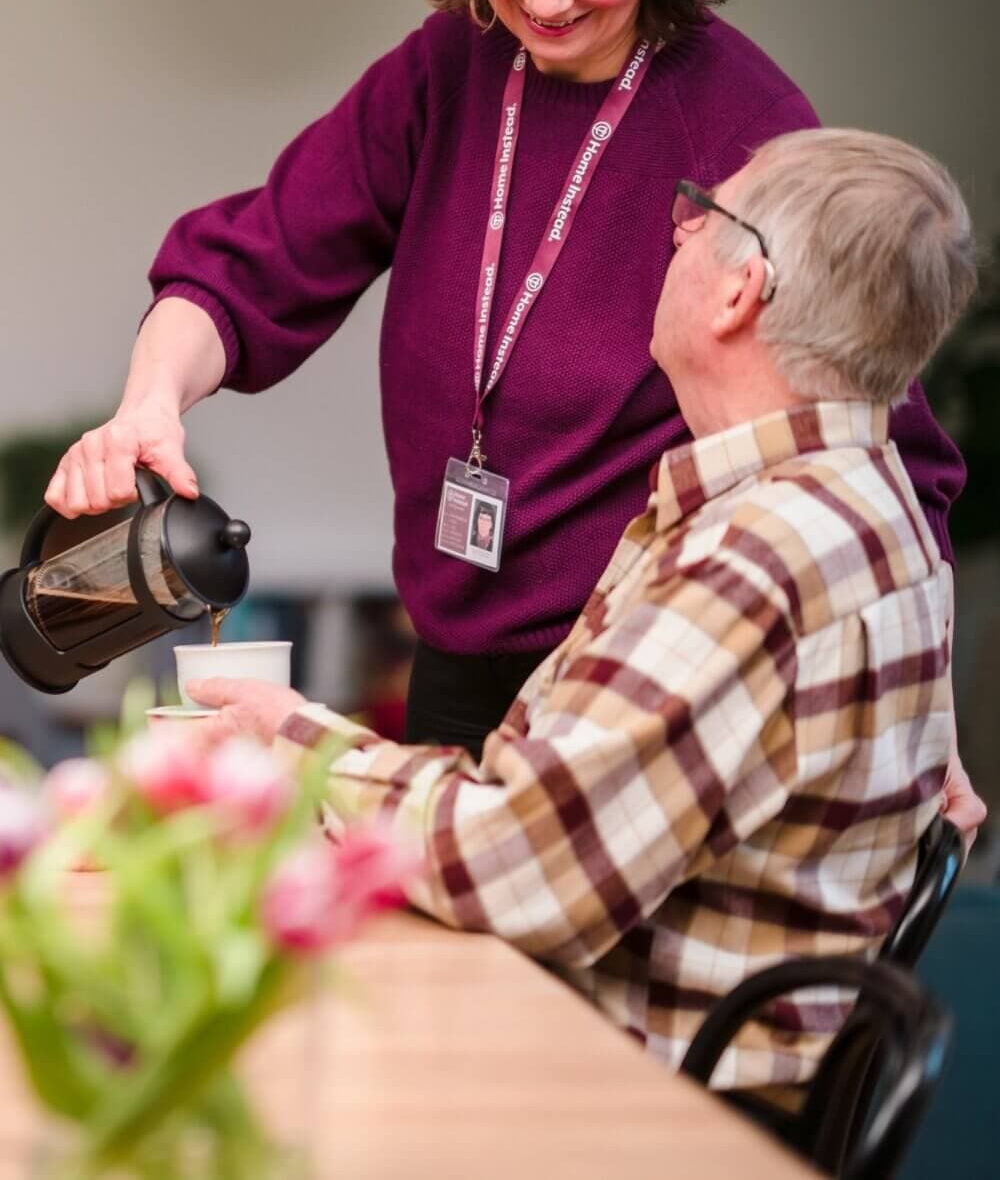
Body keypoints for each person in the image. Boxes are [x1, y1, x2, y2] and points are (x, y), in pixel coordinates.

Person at [45, 0, 969, 773]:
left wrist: (924, 736)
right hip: (454, 647)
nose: (544, 0)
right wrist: (150, 403)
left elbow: (885, 443)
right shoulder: (454, 65)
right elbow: (251, 260)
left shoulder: (741, 123)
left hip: (643, 671)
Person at [188, 126, 977, 1088]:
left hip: (630, 1101)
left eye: (704, 214)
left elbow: (519, 865)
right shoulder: (873, 497)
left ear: (740, 290)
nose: (678, 232)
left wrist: (294, 745)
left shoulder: (760, 555)